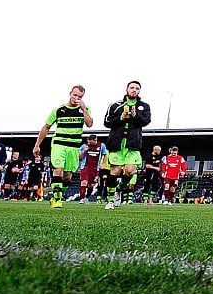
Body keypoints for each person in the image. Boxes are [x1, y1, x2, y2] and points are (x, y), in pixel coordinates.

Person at [32, 85, 93, 209]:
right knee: (58, 170)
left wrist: (84, 110)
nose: (76, 98)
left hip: (74, 147)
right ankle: (57, 199)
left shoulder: (85, 109)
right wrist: (37, 145)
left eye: (79, 97)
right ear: (70, 93)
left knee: (67, 177)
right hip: (59, 144)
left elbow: (90, 124)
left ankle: (59, 193)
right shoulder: (59, 110)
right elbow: (46, 127)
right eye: (75, 95)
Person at [103, 80, 152, 209]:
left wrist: (135, 115)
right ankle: (110, 200)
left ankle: (119, 188)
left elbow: (146, 121)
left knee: (130, 172)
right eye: (132, 87)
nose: (134, 90)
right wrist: (121, 118)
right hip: (117, 143)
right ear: (127, 89)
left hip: (133, 144)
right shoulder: (115, 105)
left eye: (137, 88)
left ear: (139, 91)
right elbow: (107, 122)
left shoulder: (143, 106)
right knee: (115, 170)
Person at [78, 134, 106, 203]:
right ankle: (82, 198)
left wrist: (103, 164)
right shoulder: (84, 146)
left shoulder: (101, 146)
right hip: (85, 167)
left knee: (91, 185)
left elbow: (105, 155)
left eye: (90, 142)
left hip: (95, 169)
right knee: (84, 182)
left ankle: (87, 197)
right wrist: (84, 151)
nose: (89, 143)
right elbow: (80, 158)